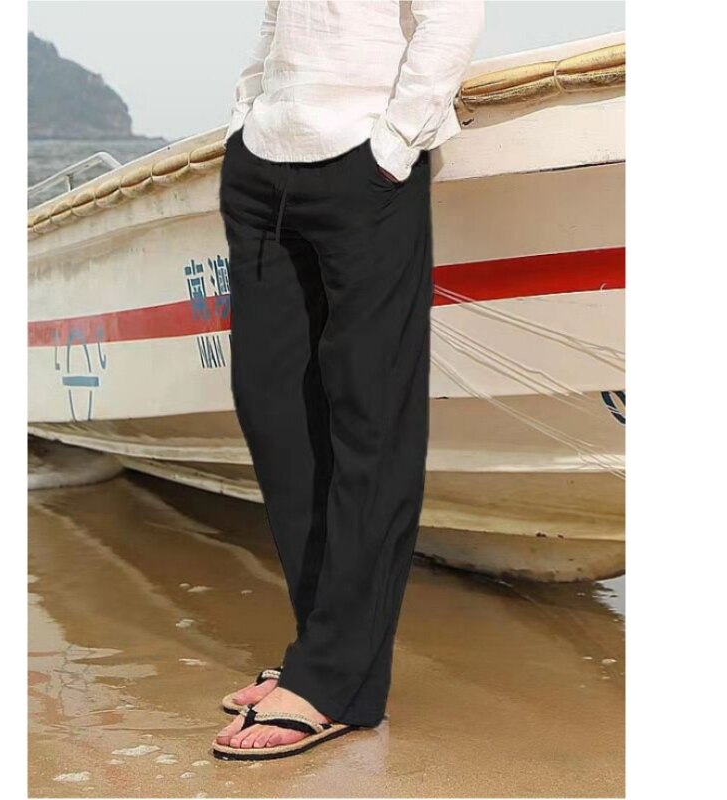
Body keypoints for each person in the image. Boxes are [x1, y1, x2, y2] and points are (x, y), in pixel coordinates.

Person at [214, 0, 484, 761]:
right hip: (263, 164)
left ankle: (336, 683)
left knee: (370, 421)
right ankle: (321, 650)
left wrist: (392, 145)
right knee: (272, 407)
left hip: (364, 164)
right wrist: (245, 117)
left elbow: (450, 17)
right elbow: (278, 19)